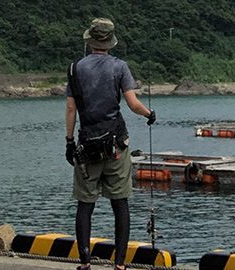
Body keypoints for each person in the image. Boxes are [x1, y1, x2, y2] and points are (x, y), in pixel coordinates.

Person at [64, 18, 156, 270]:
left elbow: (71, 109)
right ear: (110, 42)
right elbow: (133, 104)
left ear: (90, 41)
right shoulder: (119, 66)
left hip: (87, 146)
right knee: (120, 202)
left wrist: (69, 142)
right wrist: (149, 114)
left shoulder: (75, 68)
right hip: (116, 145)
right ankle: (120, 264)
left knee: (85, 204)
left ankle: (84, 263)